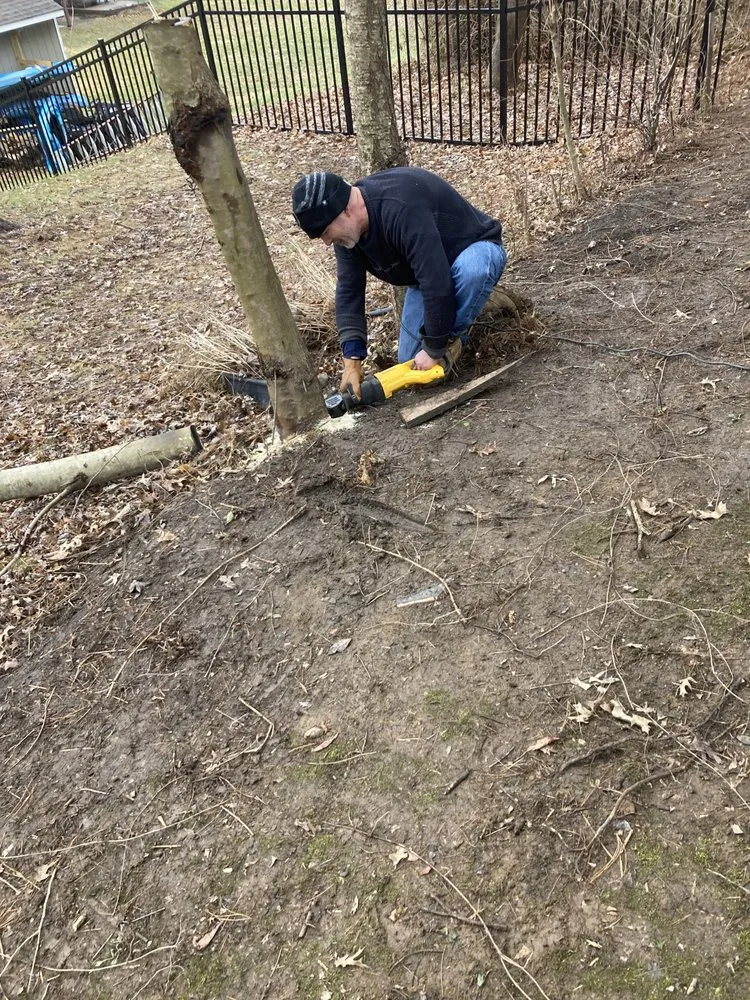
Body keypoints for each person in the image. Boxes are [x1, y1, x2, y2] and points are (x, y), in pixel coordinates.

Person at [291, 166, 507, 400]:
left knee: (474, 272)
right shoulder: (348, 238)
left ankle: (465, 314)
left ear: (345, 209)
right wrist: (352, 360)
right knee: (411, 363)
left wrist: (434, 348)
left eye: (325, 232)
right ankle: (472, 303)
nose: (326, 242)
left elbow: (435, 278)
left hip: (475, 250)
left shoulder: (400, 207)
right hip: (428, 279)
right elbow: (349, 291)